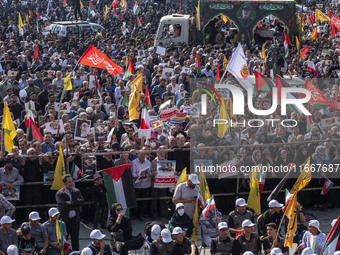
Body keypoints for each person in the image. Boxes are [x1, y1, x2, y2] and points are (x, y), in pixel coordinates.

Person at [56, 174, 84, 251]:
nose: (71, 183)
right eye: (69, 182)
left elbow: (81, 202)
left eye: (72, 181)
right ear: (64, 183)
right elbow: (62, 205)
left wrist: (71, 202)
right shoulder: (59, 193)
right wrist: (75, 203)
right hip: (65, 221)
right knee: (64, 240)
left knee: (75, 239)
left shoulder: (76, 191)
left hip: (75, 220)